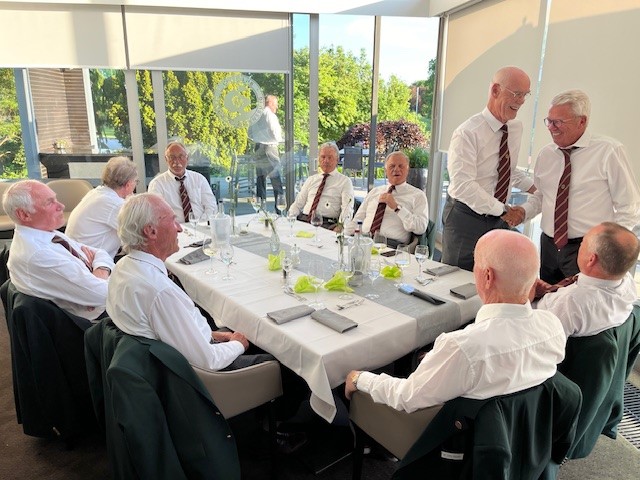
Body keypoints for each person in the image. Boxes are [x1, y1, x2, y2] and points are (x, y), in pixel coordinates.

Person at [345, 229, 566, 413]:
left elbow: (406, 397)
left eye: (476, 264)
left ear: (487, 277)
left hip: (448, 437)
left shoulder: (462, 348)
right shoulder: (553, 326)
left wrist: (359, 378)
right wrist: (440, 359)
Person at [107, 193, 272, 371]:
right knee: (279, 360)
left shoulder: (123, 266)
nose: (179, 228)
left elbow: (168, 329)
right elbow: (208, 361)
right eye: (173, 221)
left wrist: (212, 334)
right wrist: (238, 344)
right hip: (199, 376)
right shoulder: (160, 292)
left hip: (168, 356)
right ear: (151, 231)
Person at [517, 89, 640, 284]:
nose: (551, 127)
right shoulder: (546, 154)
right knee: (548, 298)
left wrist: (607, 248)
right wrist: (523, 212)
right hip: (548, 245)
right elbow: (542, 196)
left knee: (585, 301)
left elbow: (629, 207)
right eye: (549, 121)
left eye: (558, 122)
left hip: (589, 248)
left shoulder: (609, 152)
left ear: (582, 121)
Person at [442, 66, 536, 272]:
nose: (521, 101)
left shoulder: (515, 128)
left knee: (495, 278)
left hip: (498, 217)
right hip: (466, 218)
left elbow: (507, 170)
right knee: (455, 279)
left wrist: (536, 188)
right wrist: (505, 210)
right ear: (495, 90)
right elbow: (464, 186)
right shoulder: (467, 133)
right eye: (517, 94)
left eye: (525, 95)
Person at [3, 180, 114, 321]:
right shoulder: (38, 254)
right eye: (50, 202)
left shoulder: (46, 233)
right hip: (100, 319)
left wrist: (99, 271)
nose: (61, 206)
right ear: (24, 215)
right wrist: (100, 272)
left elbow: (100, 252)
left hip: (105, 296)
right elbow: (103, 295)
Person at [535, 222, 639, 338]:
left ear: (591, 259)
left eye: (583, 242)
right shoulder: (626, 283)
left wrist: (524, 300)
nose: (580, 245)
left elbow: (540, 339)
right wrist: (548, 289)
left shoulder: (570, 305)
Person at [345, 151, 428, 247]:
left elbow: (421, 227)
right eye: (392, 166)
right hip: (364, 241)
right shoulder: (375, 192)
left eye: (401, 166)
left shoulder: (418, 195)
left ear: (407, 170)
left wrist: (397, 208)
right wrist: (343, 237)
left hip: (391, 246)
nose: (396, 169)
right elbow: (357, 220)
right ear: (385, 170)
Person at [65, 156, 138, 258]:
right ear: (128, 184)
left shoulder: (96, 193)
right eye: (136, 181)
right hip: (89, 261)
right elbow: (137, 235)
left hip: (75, 253)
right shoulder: (114, 204)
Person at [288, 142, 353, 230]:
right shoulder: (311, 179)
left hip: (327, 224)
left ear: (337, 160)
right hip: (305, 219)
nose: (326, 160)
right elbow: (297, 204)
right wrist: (290, 218)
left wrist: (341, 226)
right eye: (323, 157)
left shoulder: (344, 182)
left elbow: (347, 208)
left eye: (330, 157)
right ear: (319, 159)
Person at [148, 141, 217, 223]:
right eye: (172, 157)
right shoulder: (157, 184)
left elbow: (211, 206)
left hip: (201, 225)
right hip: (174, 228)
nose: (177, 161)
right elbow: (156, 213)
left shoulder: (199, 179)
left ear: (187, 158)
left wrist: (201, 223)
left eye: (181, 157)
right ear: (166, 159)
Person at [249, 95, 284, 212]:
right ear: (270, 103)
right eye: (276, 104)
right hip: (270, 148)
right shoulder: (269, 114)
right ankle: (279, 209)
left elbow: (249, 132)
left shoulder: (255, 113)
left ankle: (261, 209)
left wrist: (259, 137)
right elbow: (274, 131)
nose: (277, 107)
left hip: (258, 147)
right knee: (276, 179)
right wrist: (279, 139)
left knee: (260, 179)